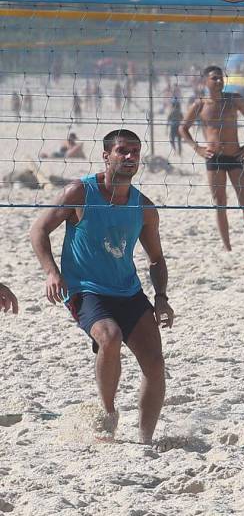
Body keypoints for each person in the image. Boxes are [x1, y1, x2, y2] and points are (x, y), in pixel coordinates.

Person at [29, 129, 174, 443]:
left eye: (135, 151)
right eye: (122, 151)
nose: (130, 157)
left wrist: (161, 298)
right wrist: (52, 272)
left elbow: (157, 259)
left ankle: (145, 439)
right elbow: (39, 230)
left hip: (129, 291)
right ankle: (108, 415)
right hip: (86, 289)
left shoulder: (144, 207)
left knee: (155, 361)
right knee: (110, 336)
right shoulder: (80, 192)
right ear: (106, 155)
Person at [179, 66, 244, 252]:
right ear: (205, 81)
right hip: (213, 157)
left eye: (221, 78)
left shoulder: (234, 99)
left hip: (235, 155)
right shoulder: (200, 104)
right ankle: (227, 246)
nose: (219, 81)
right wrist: (197, 147)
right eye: (214, 78)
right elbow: (183, 128)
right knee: (219, 200)